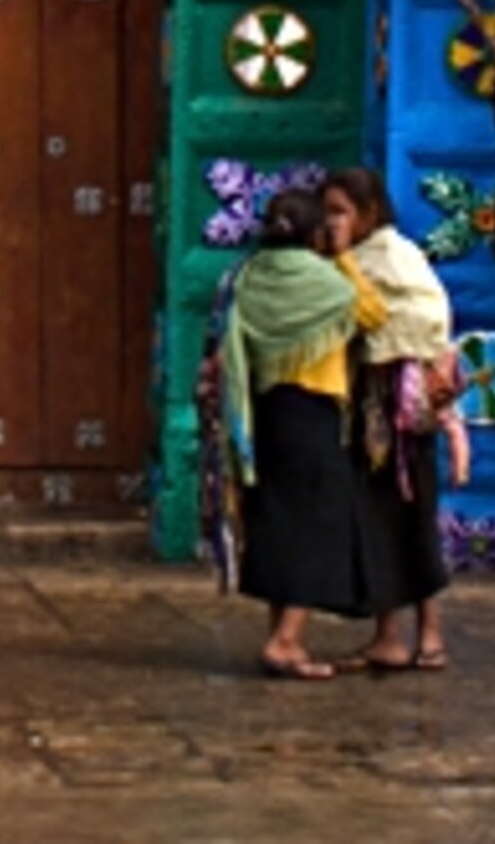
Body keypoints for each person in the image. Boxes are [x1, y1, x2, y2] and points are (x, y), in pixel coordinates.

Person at [210, 184, 386, 679]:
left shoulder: (248, 275)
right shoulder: (326, 282)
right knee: (317, 528)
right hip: (314, 415)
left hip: (265, 411)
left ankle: (282, 636)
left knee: (279, 525)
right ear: (316, 234)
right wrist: (344, 258)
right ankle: (286, 641)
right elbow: (372, 313)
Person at [321, 163, 466, 673]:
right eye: (327, 212)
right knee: (381, 518)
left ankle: (427, 633)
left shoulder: (394, 259)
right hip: (372, 407)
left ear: (370, 213)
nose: (333, 222)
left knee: (410, 513)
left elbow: (411, 319)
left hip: (399, 407)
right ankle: (390, 634)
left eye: (341, 211)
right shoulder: (353, 262)